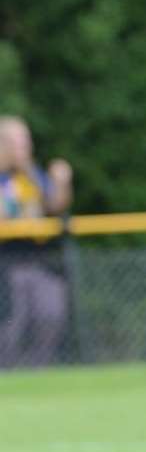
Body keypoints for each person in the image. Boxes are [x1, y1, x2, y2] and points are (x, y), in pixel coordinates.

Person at [0, 116, 73, 368]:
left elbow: (55, 206)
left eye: (25, 140)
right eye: (17, 141)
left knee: (51, 314)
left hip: (39, 260)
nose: (24, 147)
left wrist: (62, 182)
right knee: (11, 325)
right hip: (5, 263)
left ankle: (37, 371)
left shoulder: (32, 176)